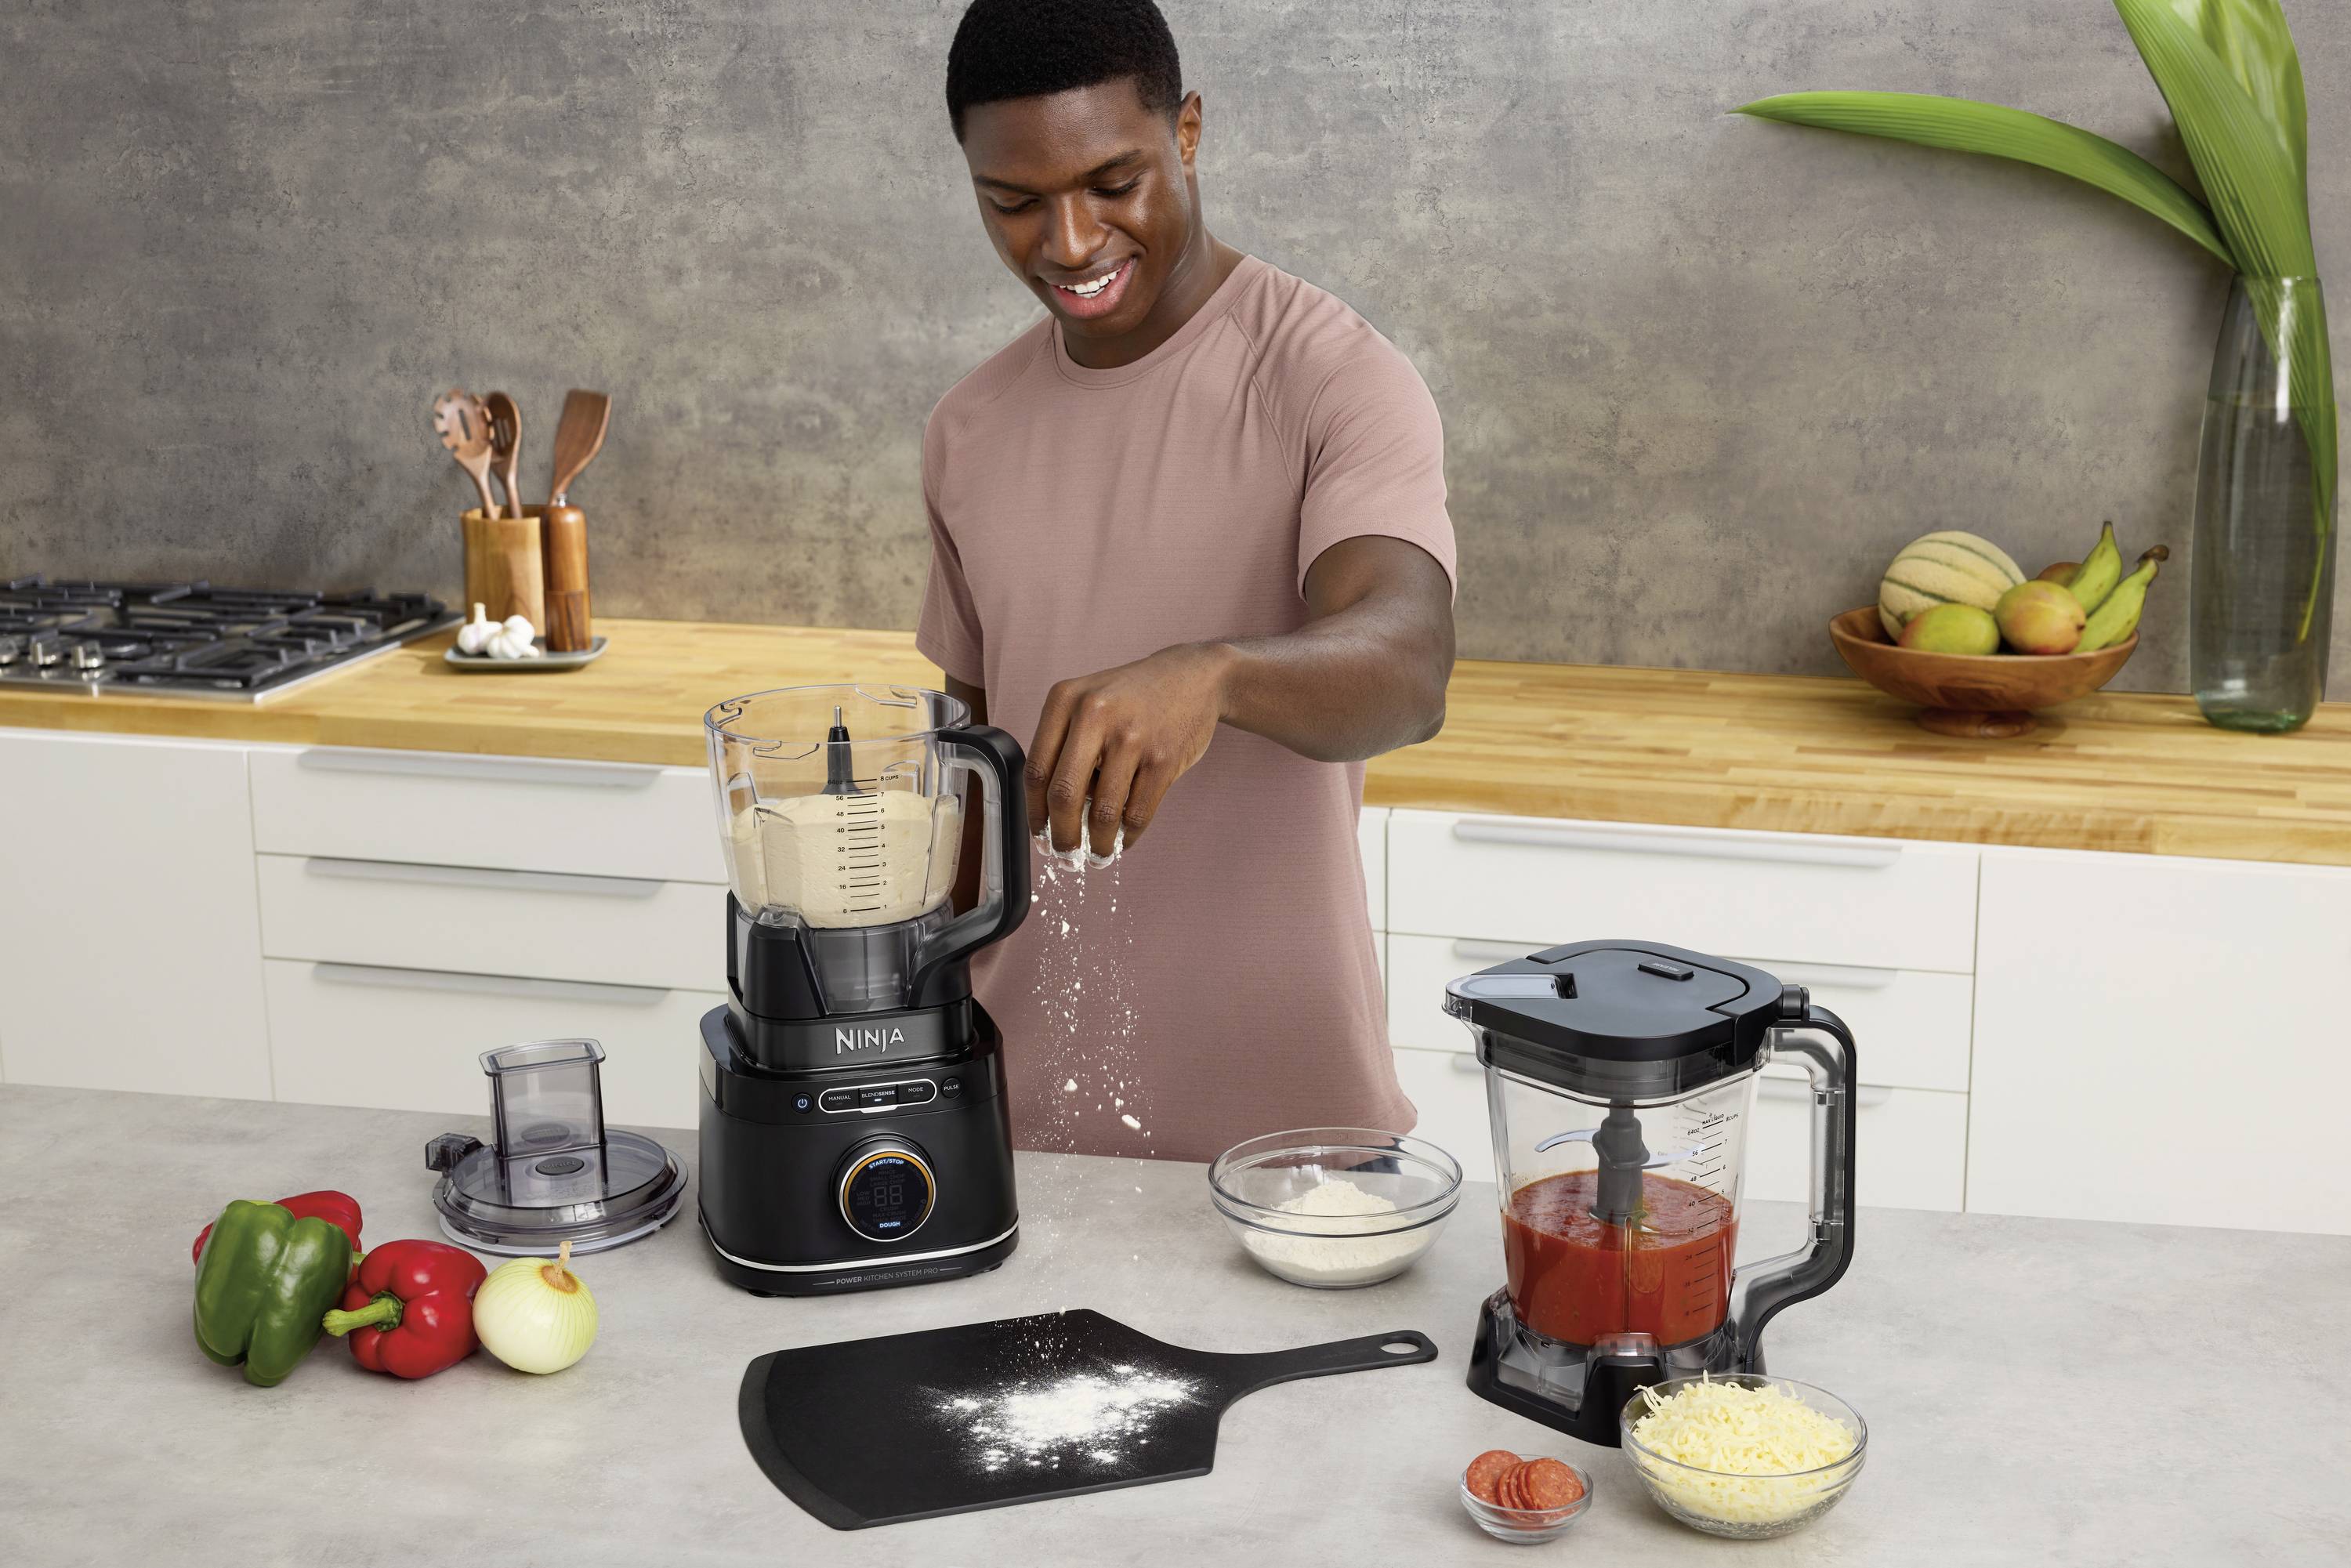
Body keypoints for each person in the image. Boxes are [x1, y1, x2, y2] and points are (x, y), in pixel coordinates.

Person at [921, 0, 1457, 1163]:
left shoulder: (1332, 377)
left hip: (1295, 1145)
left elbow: (1409, 666)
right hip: (1016, 1138)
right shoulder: (967, 428)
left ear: (1191, 135)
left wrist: (1211, 675)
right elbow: (971, 768)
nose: (1067, 241)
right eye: (1014, 201)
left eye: (1114, 182)